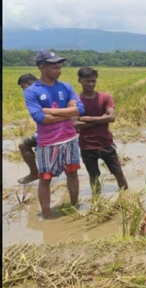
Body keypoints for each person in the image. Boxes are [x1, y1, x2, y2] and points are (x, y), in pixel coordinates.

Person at [23, 49, 85, 218]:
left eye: (60, 66)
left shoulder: (66, 86)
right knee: (45, 178)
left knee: (72, 173)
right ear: (42, 67)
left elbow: (80, 109)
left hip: (69, 138)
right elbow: (40, 118)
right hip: (48, 141)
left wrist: (52, 111)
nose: (59, 70)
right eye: (55, 67)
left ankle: (74, 206)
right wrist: (68, 112)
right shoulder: (31, 91)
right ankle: (47, 214)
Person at [72, 67, 128, 193]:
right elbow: (75, 124)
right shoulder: (75, 101)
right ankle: (96, 199)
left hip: (105, 143)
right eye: (87, 81)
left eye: (93, 81)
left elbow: (111, 117)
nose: (91, 84)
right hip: (87, 145)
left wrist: (88, 119)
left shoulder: (105, 97)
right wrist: (101, 119)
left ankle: (126, 195)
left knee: (118, 173)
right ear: (80, 80)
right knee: (94, 176)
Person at [17, 74, 39, 184]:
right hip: (43, 129)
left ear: (30, 83)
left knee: (23, 146)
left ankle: (35, 174)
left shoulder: (39, 93)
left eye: (23, 87)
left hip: (52, 130)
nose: (23, 91)